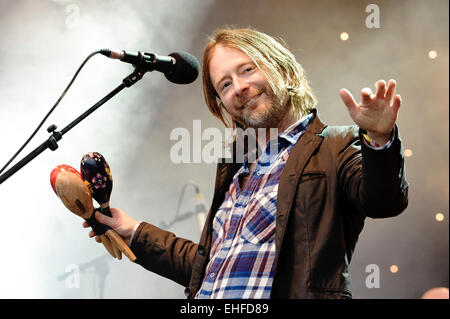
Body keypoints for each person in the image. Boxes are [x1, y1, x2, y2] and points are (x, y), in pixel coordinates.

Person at [83, 27, 409, 299]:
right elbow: (207, 268)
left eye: (247, 69)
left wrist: (379, 140)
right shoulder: (235, 168)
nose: (238, 87)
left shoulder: (336, 144)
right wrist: (134, 230)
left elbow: (383, 200)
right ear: (223, 105)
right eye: (224, 85)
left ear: (287, 72)